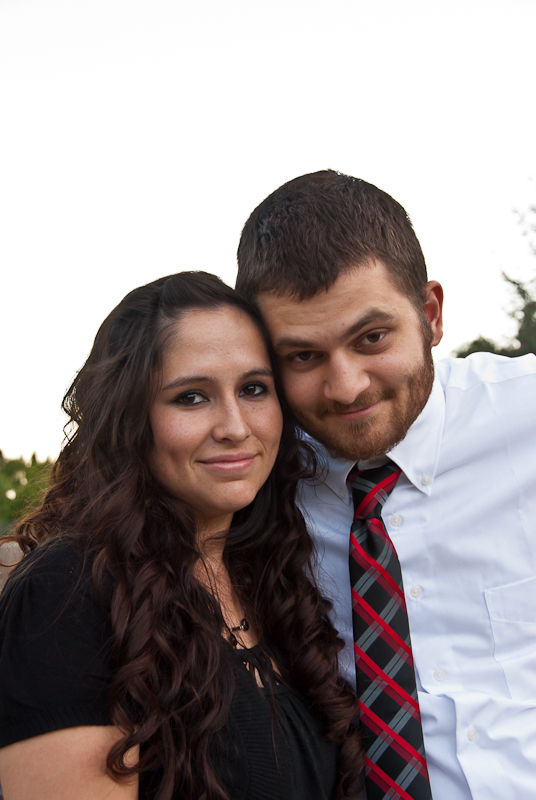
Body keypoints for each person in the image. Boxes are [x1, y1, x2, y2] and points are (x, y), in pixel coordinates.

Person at [0, 272, 363, 800]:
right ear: (129, 419)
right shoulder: (68, 592)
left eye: (253, 389)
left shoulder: (273, 580)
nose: (235, 426)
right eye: (191, 397)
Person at [236, 170, 536, 800]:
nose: (346, 387)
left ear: (430, 314)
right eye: (303, 356)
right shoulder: (250, 486)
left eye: (372, 338)